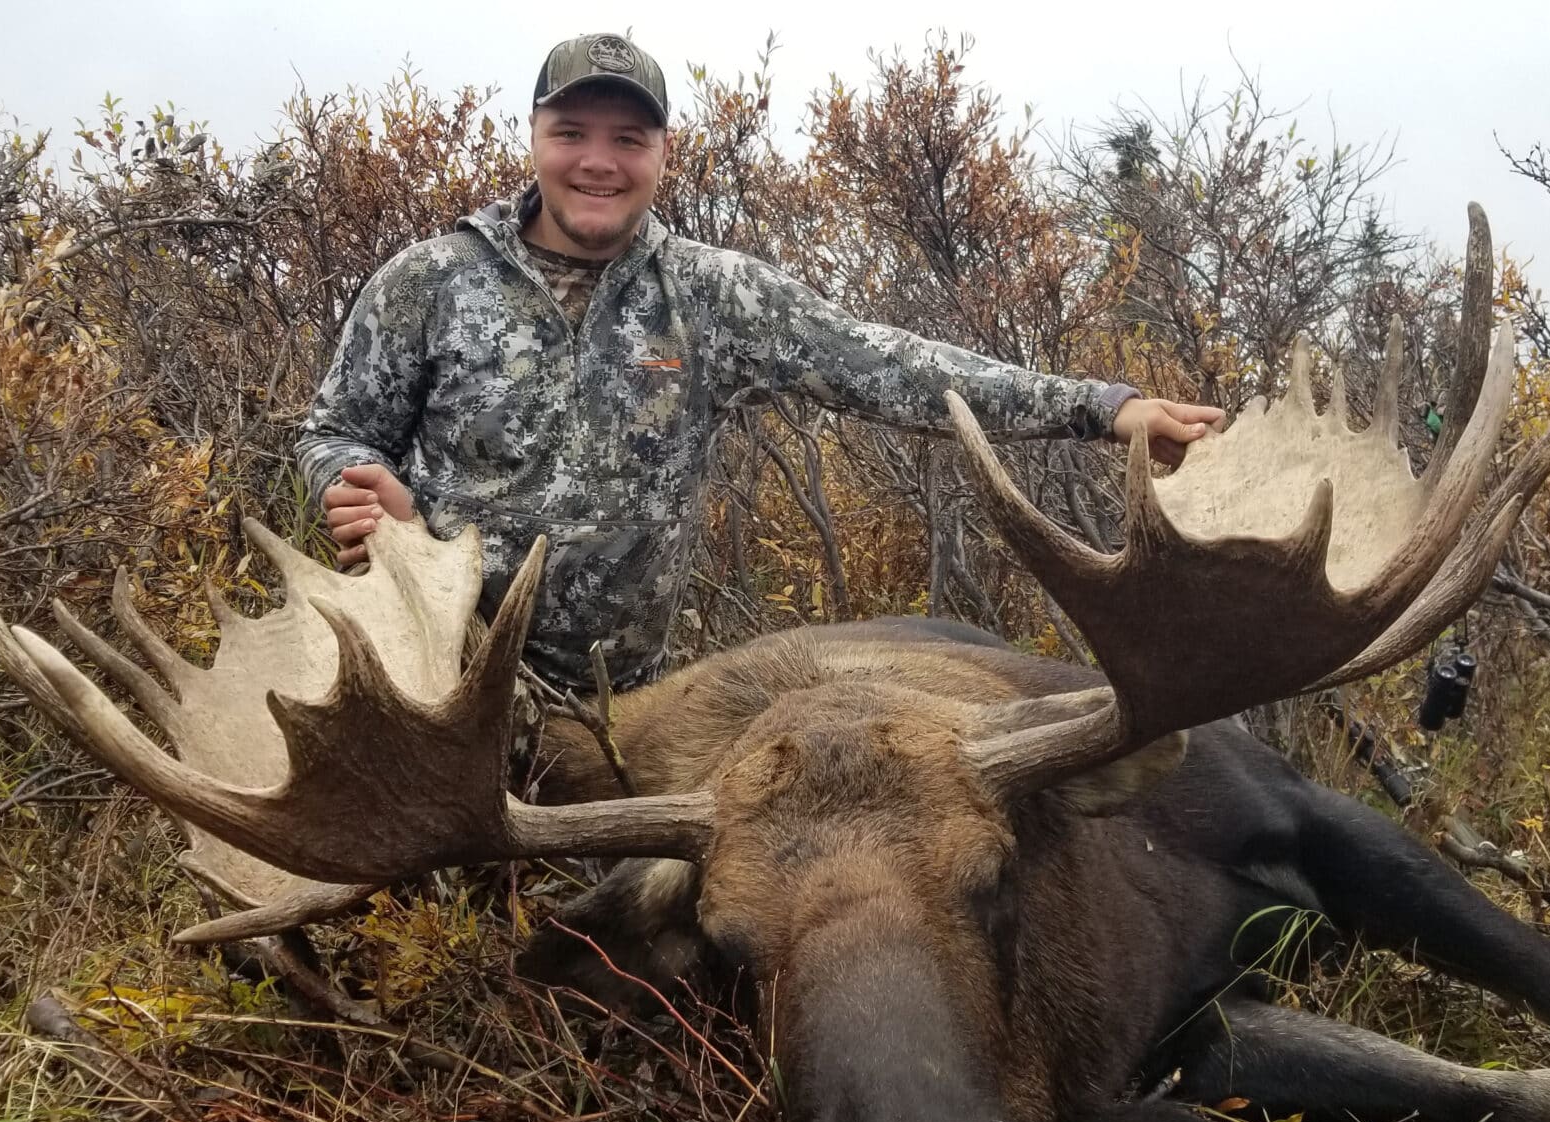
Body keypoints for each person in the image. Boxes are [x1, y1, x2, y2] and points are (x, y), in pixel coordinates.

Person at [296, 32, 1225, 696]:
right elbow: (338, 431)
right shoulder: (429, 280)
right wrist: (349, 482)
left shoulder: (712, 295)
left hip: (624, 713)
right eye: (572, 132)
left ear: (663, 154)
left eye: (630, 139)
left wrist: (1105, 407)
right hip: (432, 680)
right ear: (534, 137)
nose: (599, 162)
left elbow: (890, 365)